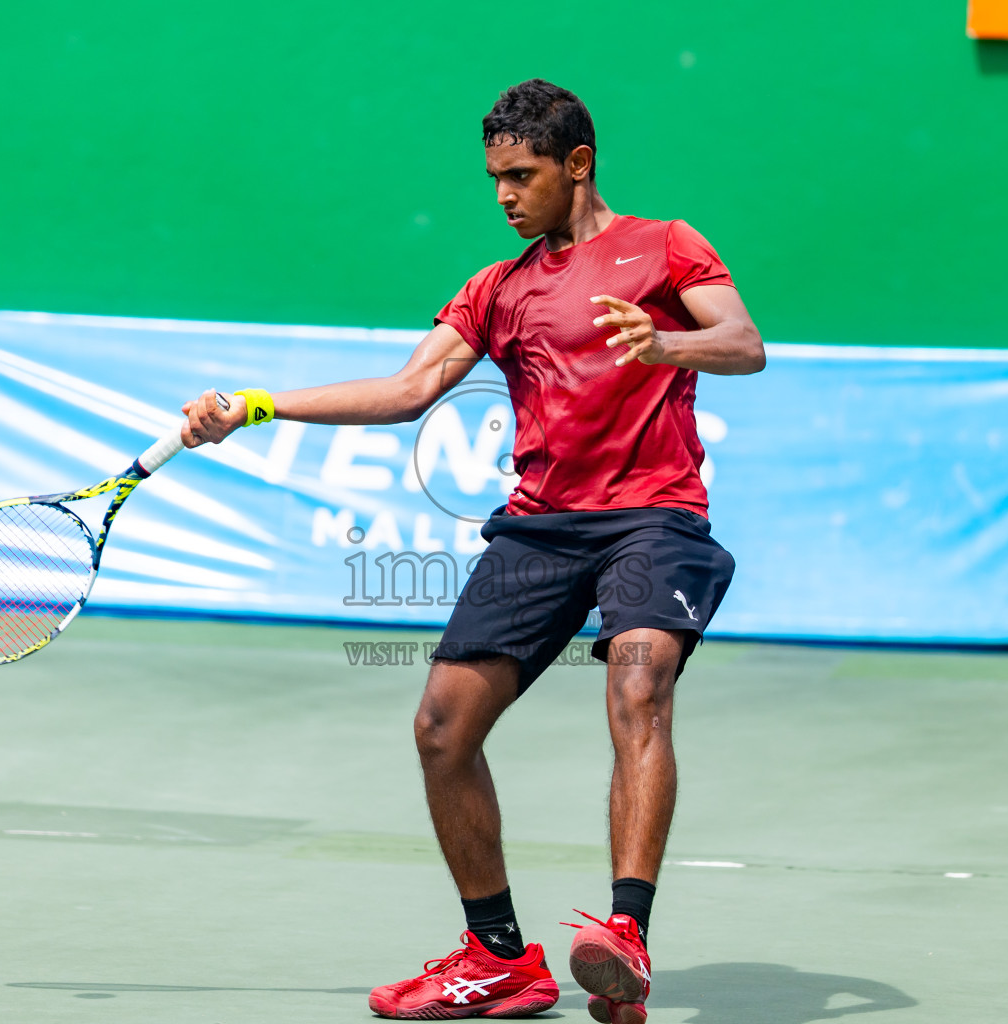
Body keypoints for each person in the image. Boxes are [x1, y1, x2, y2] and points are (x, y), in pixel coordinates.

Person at [180, 78, 764, 1024]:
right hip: (539, 527)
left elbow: (743, 342)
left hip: (652, 516)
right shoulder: (499, 290)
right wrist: (257, 405)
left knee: (638, 682)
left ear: (577, 164)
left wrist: (666, 341)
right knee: (442, 729)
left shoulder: (666, 244)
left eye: (522, 175)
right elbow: (410, 388)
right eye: (494, 177)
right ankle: (498, 958)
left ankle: (625, 935)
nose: (504, 195)